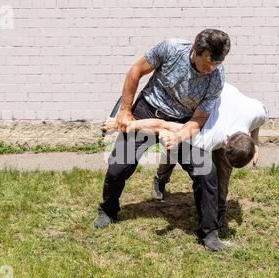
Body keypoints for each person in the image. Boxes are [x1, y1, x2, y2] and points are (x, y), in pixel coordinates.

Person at [94, 29, 231, 252]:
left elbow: (198, 119)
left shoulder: (217, 77)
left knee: (206, 171)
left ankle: (209, 232)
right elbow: (136, 70)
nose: (210, 69)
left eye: (216, 64)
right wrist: (126, 110)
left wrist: (179, 136)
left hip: (181, 122)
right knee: (118, 167)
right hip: (147, 110)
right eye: (207, 63)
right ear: (195, 50)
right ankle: (108, 210)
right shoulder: (172, 49)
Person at [102, 82, 269, 230]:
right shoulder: (208, 137)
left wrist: (255, 142)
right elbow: (162, 124)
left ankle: (218, 210)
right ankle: (161, 178)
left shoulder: (257, 112)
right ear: (225, 143)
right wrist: (122, 124)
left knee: (221, 171)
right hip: (203, 107)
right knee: (174, 146)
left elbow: (257, 121)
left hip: (226, 113)